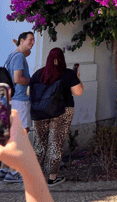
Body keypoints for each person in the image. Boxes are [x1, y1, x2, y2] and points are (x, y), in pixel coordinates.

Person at [29, 48, 84, 186]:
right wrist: (77, 77)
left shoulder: (38, 73)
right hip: (62, 112)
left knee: (39, 144)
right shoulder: (68, 74)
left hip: (40, 113)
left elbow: (29, 92)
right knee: (56, 144)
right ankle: (52, 178)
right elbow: (78, 92)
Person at [2, 31, 35, 183]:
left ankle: (3, 169)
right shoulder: (19, 57)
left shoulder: (12, 56)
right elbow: (17, 79)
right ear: (21, 40)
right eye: (30, 40)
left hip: (10, 100)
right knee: (21, 136)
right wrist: (31, 81)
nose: (33, 42)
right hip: (20, 100)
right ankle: (13, 172)